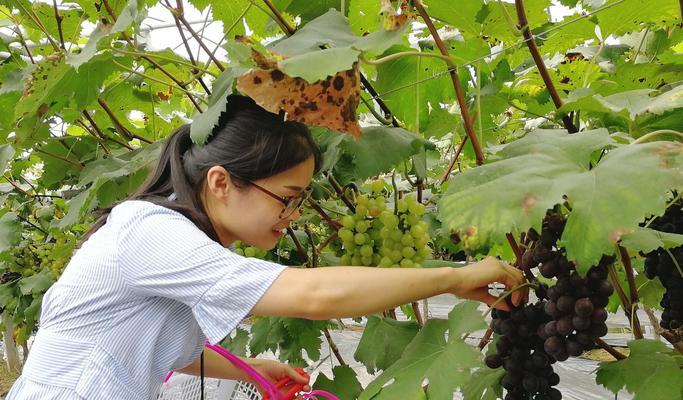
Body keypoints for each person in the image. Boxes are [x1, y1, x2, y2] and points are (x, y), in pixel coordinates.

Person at [6, 95, 524, 400]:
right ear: (221, 182)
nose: (292, 216)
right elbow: (315, 295)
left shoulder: (181, 246)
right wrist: (455, 277)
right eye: (288, 198)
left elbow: (153, 349)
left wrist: (254, 371)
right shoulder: (148, 229)